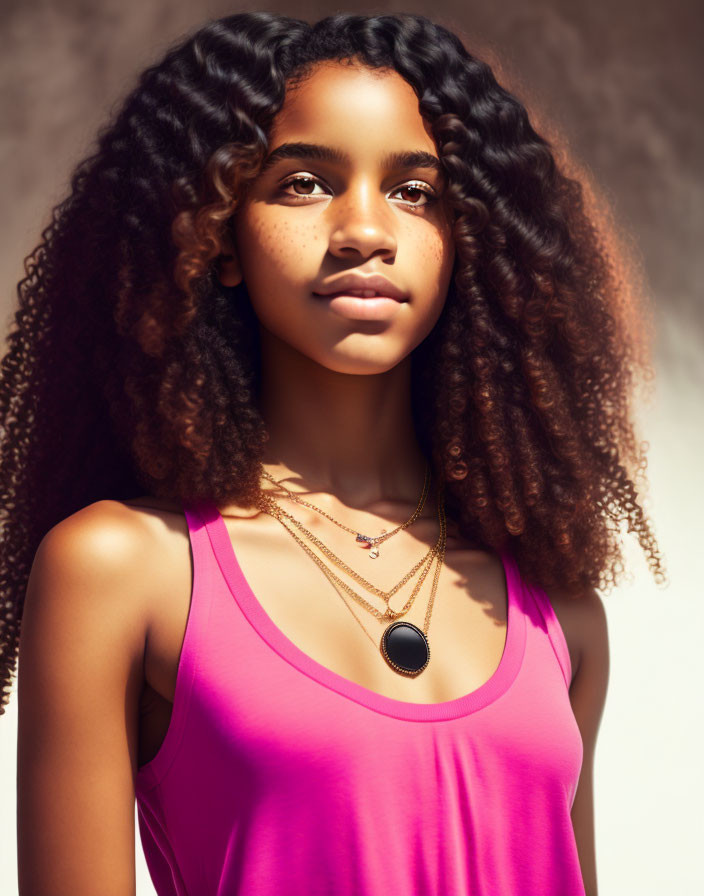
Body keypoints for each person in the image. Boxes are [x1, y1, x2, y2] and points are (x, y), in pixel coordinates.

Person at [4, 11, 665, 896]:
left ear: (468, 243)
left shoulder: (558, 607)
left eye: (416, 191)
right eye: (305, 183)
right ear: (217, 235)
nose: (365, 230)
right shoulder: (122, 571)